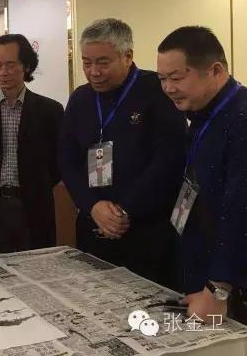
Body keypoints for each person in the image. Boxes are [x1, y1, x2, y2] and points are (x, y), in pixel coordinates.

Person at [59, 18, 186, 287]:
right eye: (86, 63)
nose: (93, 72)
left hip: (146, 229)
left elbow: (169, 161)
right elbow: (67, 160)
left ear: (127, 56)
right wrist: (91, 205)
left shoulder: (158, 91)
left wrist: (124, 211)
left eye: (103, 62)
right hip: (93, 225)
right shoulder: (80, 99)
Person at [157, 26, 247, 324]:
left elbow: (240, 211)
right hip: (201, 267)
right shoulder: (201, 114)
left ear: (215, 70)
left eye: (176, 78)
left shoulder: (240, 118)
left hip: (229, 286)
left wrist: (217, 289)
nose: (168, 88)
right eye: (162, 79)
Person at [0, 34, 64, 254]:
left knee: (37, 262)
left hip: (34, 204)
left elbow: (58, 161)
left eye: (10, 65)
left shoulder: (50, 110)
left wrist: (38, 183)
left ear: (26, 66)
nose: (3, 72)